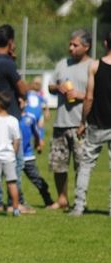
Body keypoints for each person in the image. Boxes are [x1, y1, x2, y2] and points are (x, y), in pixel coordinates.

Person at [0, 24, 31, 214]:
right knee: (14, 162)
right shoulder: (7, 64)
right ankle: (15, 203)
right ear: (10, 41)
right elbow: (22, 88)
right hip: (10, 118)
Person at [47, 29, 92, 210]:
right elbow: (50, 86)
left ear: (86, 47)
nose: (70, 48)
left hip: (81, 124)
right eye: (70, 44)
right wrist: (58, 88)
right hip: (61, 123)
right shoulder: (62, 64)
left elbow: (96, 94)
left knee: (81, 166)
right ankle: (62, 199)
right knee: (58, 165)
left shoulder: (92, 66)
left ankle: (80, 202)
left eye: (75, 45)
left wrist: (79, 95)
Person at [71, 31, 111, 216]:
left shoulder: (95, 66)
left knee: (86, 165)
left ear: (105, 43)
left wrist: (82, 122)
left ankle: (79, 206)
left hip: (97, 124)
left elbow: (89, 97)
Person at [19, 97, 55, 207]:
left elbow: (36, 132)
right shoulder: (12, 118)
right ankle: (19, 202)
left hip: (28, 156)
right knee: (15, 181)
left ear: (26, 103)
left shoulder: (31, 118)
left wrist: (38, 143)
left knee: (37, 179)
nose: (19, 102)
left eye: (21, 100)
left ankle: (48, 199)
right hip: (14, 157)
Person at [25, 76, 50, 143]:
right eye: (36, 83)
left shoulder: (40, 95)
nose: (37, 85)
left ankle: (40, 140)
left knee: (41, 123)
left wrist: (47, 111)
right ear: (32, 83)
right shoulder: (28, 93)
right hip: (28, 114)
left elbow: (45, 104)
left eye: (39, 84)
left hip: (38, 114)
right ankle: (28, 139)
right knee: (27, 127)